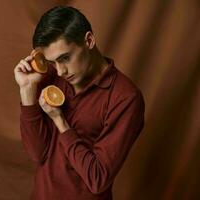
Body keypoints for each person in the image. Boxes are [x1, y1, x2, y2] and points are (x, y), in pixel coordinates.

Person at [14, 6, 145, 200]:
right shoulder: (50, 77)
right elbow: (38, 154)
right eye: (53, 63)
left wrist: (61, 122)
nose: (60, 72)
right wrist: (27, 91)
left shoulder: (125, 98)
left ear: (89, 40)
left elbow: (97, 179)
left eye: (65, 58)